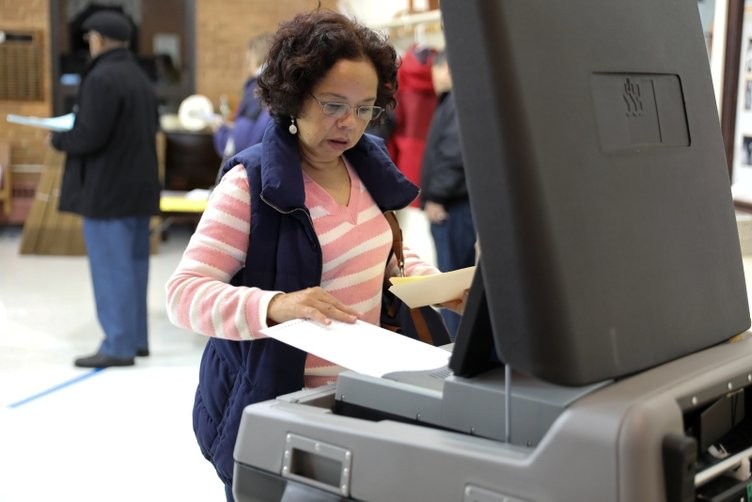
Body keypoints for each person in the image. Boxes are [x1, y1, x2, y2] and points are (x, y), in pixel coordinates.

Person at [165, 10, 465, 500]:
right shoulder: (252, 184)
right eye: (333, 105)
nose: (349, 123)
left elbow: (389, 253)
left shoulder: (366, 168)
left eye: (364, 108)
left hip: (366, 401)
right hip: (281, 410)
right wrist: (274, 306)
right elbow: (184, 294)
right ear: (293, 96)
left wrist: (438, 287)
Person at [50, 10, 161, 368]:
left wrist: (57, 139)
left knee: (112, 270)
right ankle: (136, 338)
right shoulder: (141, 77)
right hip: (139, 189)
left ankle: (117, 344)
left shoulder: (101, 77)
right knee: (134, 267)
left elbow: (88, 135)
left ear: (97, 39)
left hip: (107, 192)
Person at [420, 50, 476, 339]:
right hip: (458, 205)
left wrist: (436, 196)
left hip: (453, 208)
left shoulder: (457, 101)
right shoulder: (455, 102)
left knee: (454, 288)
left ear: (447, 70)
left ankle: (458, 352)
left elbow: (454, 154)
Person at [212, 33, 273, 164]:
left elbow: (240, 140)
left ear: (255, 58)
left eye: (248, 60)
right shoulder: (278, 85)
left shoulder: (256, 88)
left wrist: (221, 131)